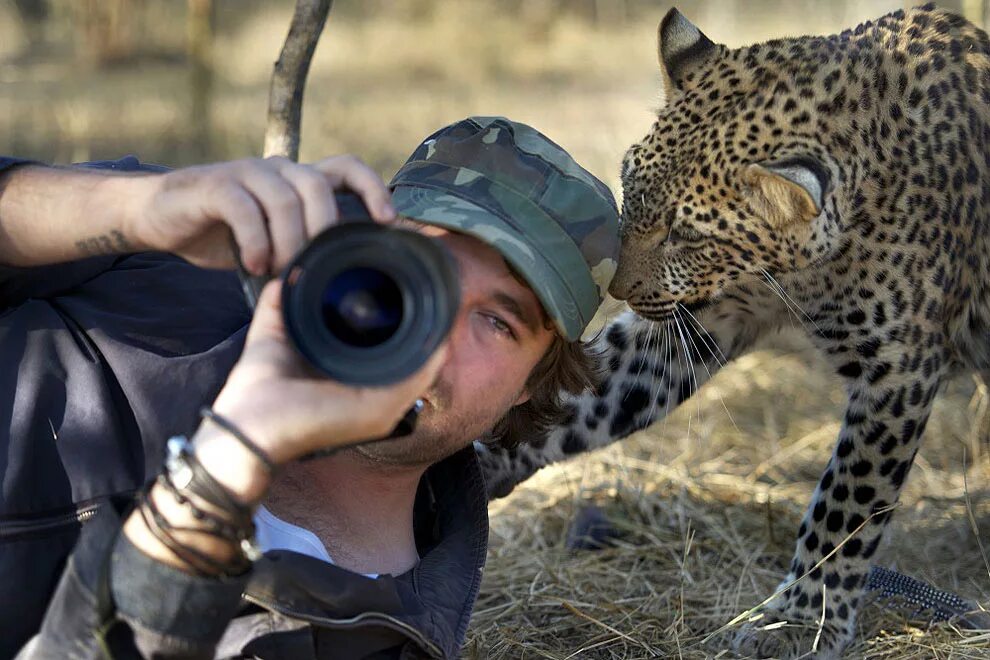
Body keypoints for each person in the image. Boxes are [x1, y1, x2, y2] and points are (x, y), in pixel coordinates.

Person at [1, 116, 619, 659]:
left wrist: (231, 457)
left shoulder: (371, 633)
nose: (435, 333)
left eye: (497, 322)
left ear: (532, 383)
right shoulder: (200, 251)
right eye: (422, 271)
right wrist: (134, 209)